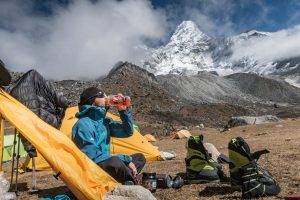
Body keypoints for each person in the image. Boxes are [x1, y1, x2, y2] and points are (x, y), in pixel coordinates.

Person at [72, 87, 145, 184]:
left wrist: (123, 112)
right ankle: (132, 182)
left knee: (139, 157)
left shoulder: (105, 121)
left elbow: (127, 131)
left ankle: (127, 179)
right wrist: (124, 159)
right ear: (92, 101)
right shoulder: (83, 124)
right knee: (115, 162)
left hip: (107, 163)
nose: (106, 97)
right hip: (93, 169)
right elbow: (91, 156)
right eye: (102, 95)